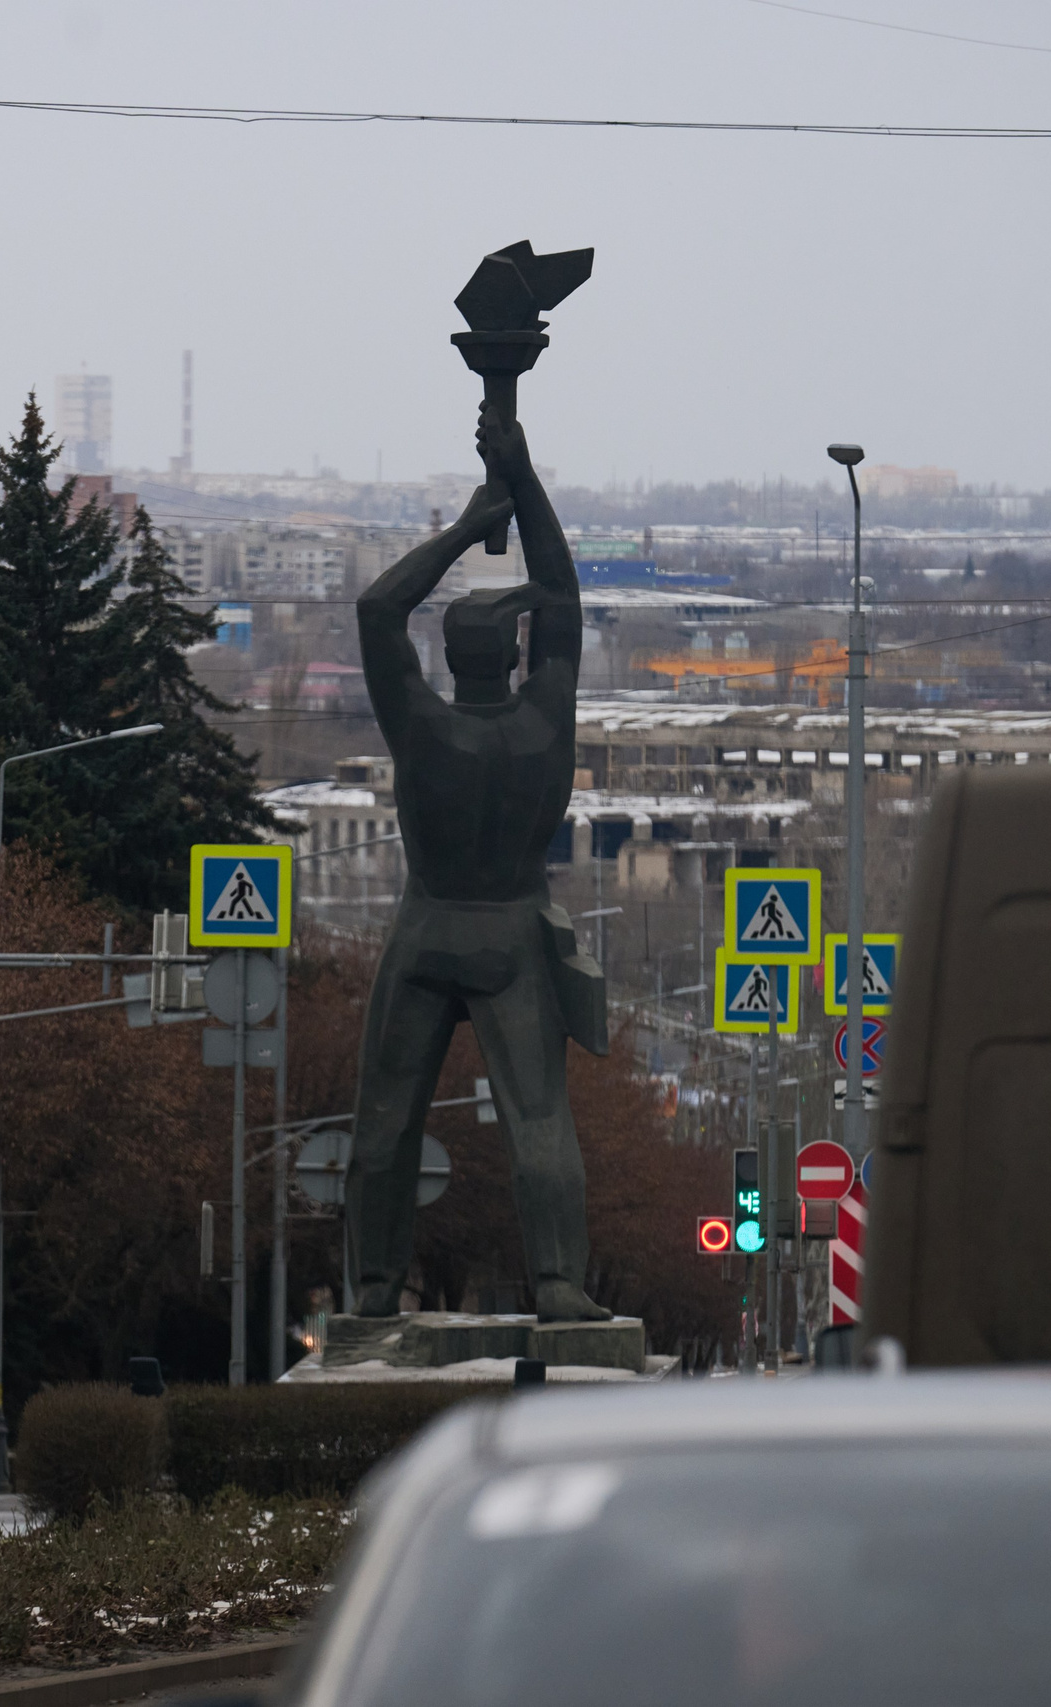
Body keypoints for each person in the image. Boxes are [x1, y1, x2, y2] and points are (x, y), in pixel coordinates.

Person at [347, 403, 610, 1324]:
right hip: (511, 936)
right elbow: (566, 604)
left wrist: (466, 527)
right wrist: (525, 482)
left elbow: (378, 608)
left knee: (384, 1124)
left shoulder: (423, 727)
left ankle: (374, 1289)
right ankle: (560, 1283)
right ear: (518, 652)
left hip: (428, 929)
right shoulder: (544, 725)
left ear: (449, 653)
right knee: (539, 1119)